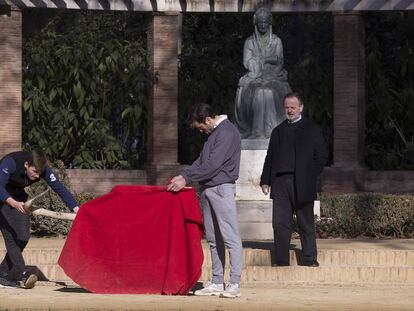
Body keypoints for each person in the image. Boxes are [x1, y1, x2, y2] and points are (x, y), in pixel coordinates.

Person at [167, 103, 243, 298]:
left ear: (208, 119)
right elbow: (202, 161)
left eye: (201, 127)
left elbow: (213, 165)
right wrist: (184, 175)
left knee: (229, 237)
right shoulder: (214, 135)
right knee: (213, 238)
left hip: (221, 188)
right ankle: (217, 281)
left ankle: (234, 283)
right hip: (209, 189)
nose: (201, 131)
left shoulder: (227, 132)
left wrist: (186, 178)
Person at [260, 93, 328, 267]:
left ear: (301, 108)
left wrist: (310, 174)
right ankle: (281, 260)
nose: (289, 110)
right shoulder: (278, 131)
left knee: (306, 223)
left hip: (303, 183)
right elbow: (270, 157)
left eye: (293, 107)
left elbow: (321, 156)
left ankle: (310, 259)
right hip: (280, 183)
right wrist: (266, 180)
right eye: (287, 107)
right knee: (280, 223)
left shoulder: (312, 129)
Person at [0, 149, 79, 289]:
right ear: (26, 164)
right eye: (34, 172)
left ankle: (2, 272)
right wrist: (12, 202)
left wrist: (76, 209)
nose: (37, 177)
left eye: (39, 173)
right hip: (2, 197)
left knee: (23, 238)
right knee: (11, 236)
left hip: (19, 198)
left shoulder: (42, 169)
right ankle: (24, 274)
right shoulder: (10, 163)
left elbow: (59, 188)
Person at [235, 7, 291, 139]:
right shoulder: (249, 42)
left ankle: (272, 132)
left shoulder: (277, 41)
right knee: (260, 92)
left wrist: (267, 64)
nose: (263, 25)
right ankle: (257, 132)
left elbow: (279, 61)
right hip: (255, 77)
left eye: (265, 22)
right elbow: (247, 62)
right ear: (256, 23)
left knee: (269, 93)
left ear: (269, 22)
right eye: (260, 22)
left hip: (274, 77)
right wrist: (260, 66)